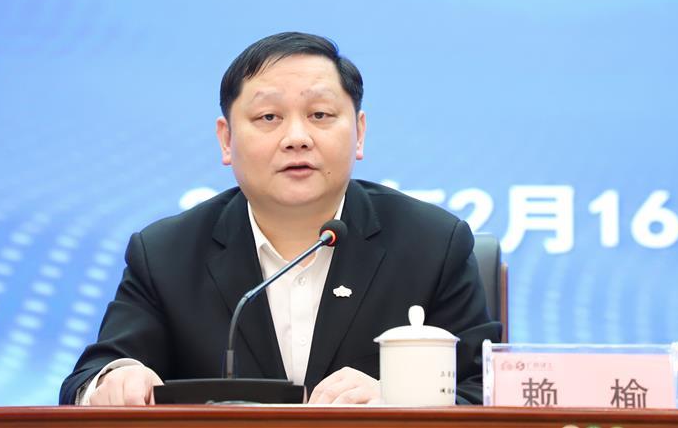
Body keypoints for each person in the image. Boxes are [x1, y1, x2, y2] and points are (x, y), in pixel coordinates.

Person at [59, 32, 500, 406]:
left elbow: (489, 391)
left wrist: (396, 401)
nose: (296, 138)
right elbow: (89, 377)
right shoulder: (166, 254)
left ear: (359, 132)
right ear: (226, 139)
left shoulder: (431, 244)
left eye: (320, 115)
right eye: (268, 117)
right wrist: (115, 380)